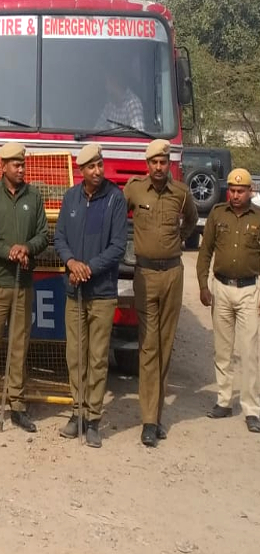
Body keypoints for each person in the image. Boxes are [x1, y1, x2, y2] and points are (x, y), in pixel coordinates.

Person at [125, 138, 197, 447]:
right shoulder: (134, 190)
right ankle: (148, 421)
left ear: (168, 164)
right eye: (154, 162)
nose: (158, 167)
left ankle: (157, 414)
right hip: (145, 274)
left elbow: (192, 221)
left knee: (165, 344)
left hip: (172, 273)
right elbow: (116, 213)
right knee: (148, 345)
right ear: (147, 164)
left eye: (163, 162)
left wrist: (179, 238)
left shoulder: (181, 194)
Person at [54, 143, 128, 447]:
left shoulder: (115, 198)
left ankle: (94, 418)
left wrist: (89, 268)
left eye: (100, 165)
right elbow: (59, 236)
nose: (97, 171)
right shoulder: (71, 196)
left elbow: (118, 246)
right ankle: (77, 412)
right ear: (81, 170)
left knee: (97, 358)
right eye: (91, 167)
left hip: (102, 291)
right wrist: (71, 263)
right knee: (75, 356)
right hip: (75, 289)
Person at [0, 142, 49, 431]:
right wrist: (8, 251)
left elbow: (44, 233)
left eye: (23, 164)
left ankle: (17, 404)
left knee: (19, 345)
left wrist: (27, 247)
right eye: (16, 164)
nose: (21, 169)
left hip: (22, 284)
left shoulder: (34, 196)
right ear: (3, 166)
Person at [197, 167, 260, 434]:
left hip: (249, 291)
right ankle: (224, 401)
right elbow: (205, 251)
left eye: (241, 191)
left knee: (249, 352)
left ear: (250, 192)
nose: (235, 195)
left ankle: (252, 409)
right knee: (222, 350)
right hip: (221, 288)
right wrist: (203, 284)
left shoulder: (259, 217)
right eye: (232, 191)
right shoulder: (217, 214)